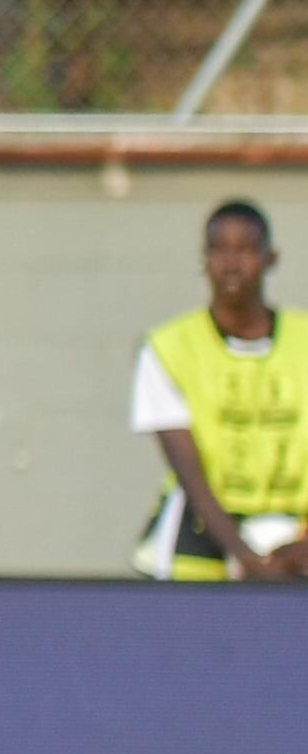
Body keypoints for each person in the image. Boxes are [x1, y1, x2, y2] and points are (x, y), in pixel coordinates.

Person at [132, 199, 308, 581]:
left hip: (298, 541)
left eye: (245, 249)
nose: (231, 264)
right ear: (204, 259)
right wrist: (249, 561)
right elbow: (190, 476)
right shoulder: (168, 347)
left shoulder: (303, 340)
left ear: (270, 258)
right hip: (206, 536)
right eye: (219, 249)